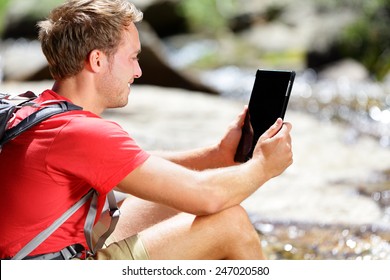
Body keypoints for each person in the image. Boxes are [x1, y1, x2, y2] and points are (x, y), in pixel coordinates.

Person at [0, 0, 293, 260]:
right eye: (133, 57)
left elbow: (138, 165)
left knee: (159, 198)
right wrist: (264, 166)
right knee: (230, 223)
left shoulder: (37, 111)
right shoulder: (81, 132)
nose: (138, 71)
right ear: (98, 60)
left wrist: (216, 155)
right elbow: (209, 197)